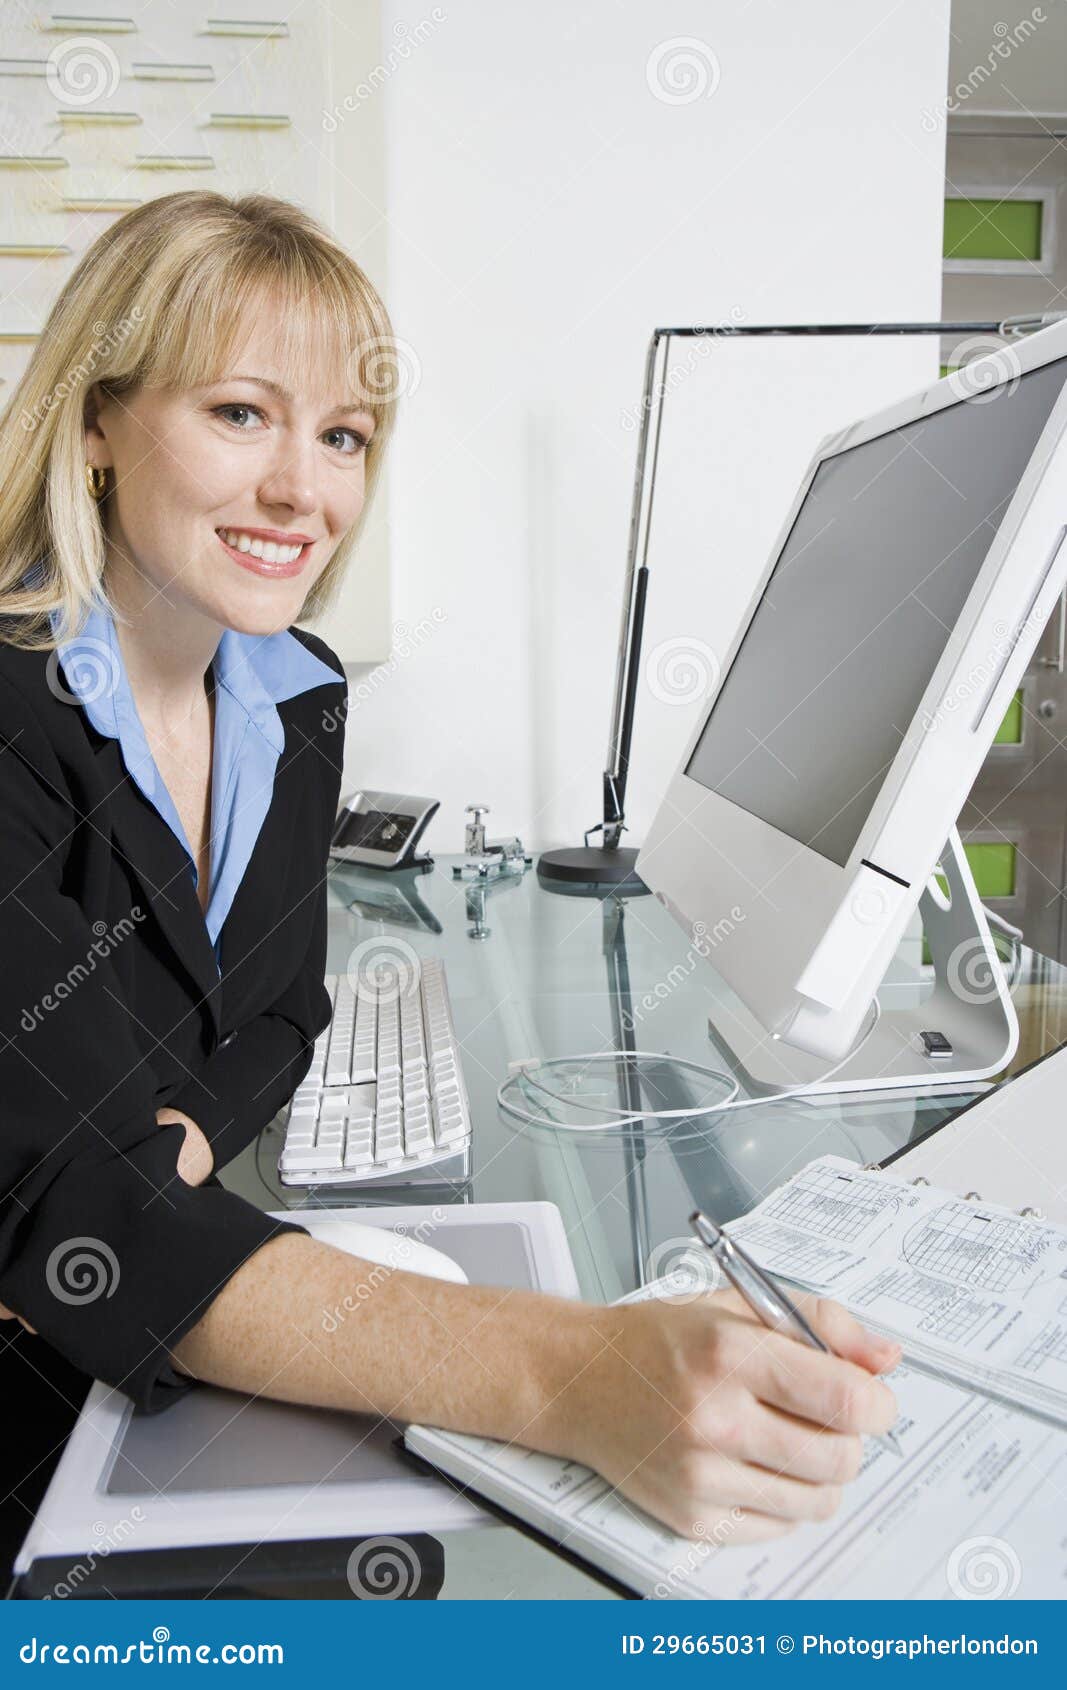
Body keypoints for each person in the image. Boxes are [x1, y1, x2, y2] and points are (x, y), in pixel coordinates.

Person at [0, 190, 899, 1560]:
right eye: (241, 413)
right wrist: (578, 1374)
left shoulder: (289, 694)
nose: (305, 490)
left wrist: (153, 1141)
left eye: (343, 435)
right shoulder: (14, 718)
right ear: (97, 423)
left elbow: (282, 1016)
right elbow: (84, 1227)